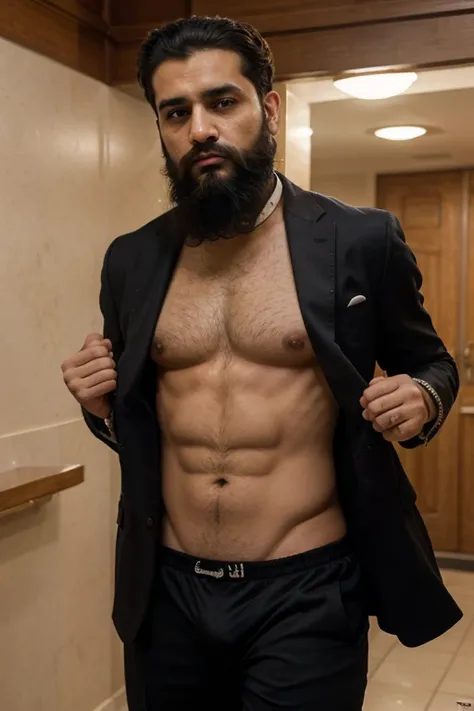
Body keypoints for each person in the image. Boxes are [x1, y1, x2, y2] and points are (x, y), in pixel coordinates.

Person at [61, 15, 462, 711]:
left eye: (222, 102)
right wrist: (100, 406)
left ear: (268, 108)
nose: (201, 129)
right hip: (168, 588)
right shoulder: (131, 259)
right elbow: (137, 415)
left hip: (305, 588)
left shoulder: (359, 239)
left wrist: (422, 398)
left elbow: (433, 364)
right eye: (176, 112)